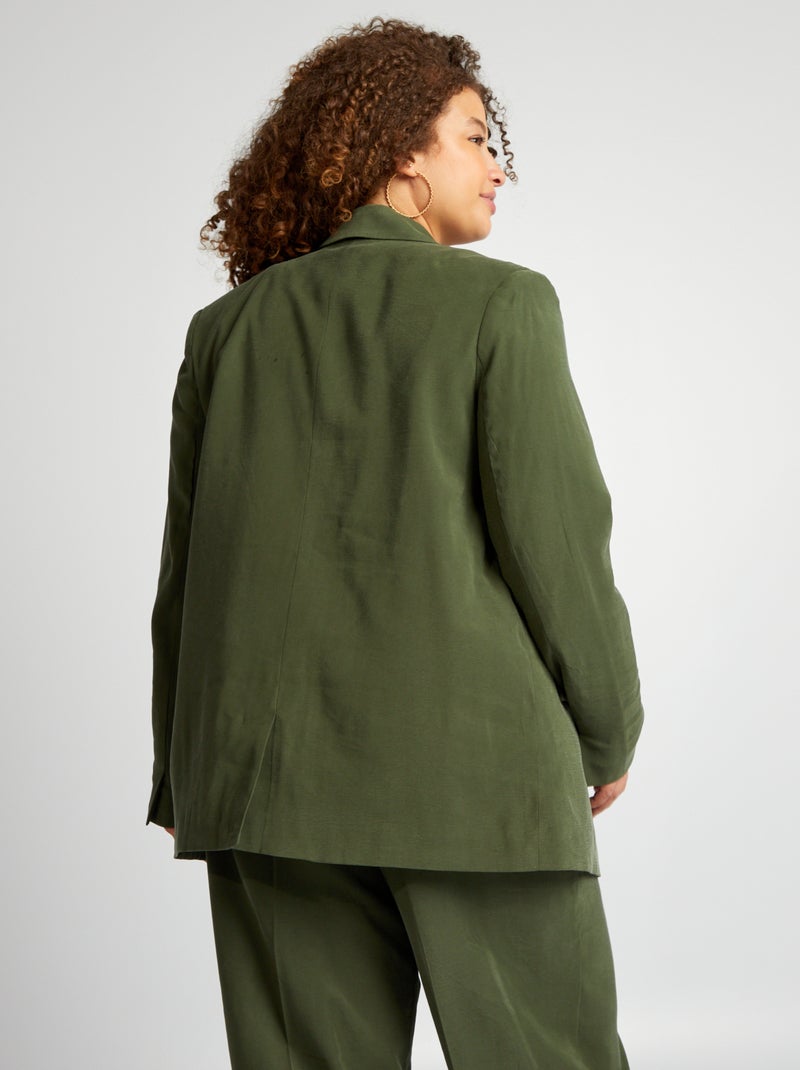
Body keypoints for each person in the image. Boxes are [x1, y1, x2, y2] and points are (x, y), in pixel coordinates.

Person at [146, 16, 644, 1070]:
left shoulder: (224, 332)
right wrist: (607, 730)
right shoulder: (503, 304)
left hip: (260, 789)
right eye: (474, 138)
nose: (496, 167)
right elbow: (559, 546)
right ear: (403, 154)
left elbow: (185, 580)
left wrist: (184, 775)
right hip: (478, 786)